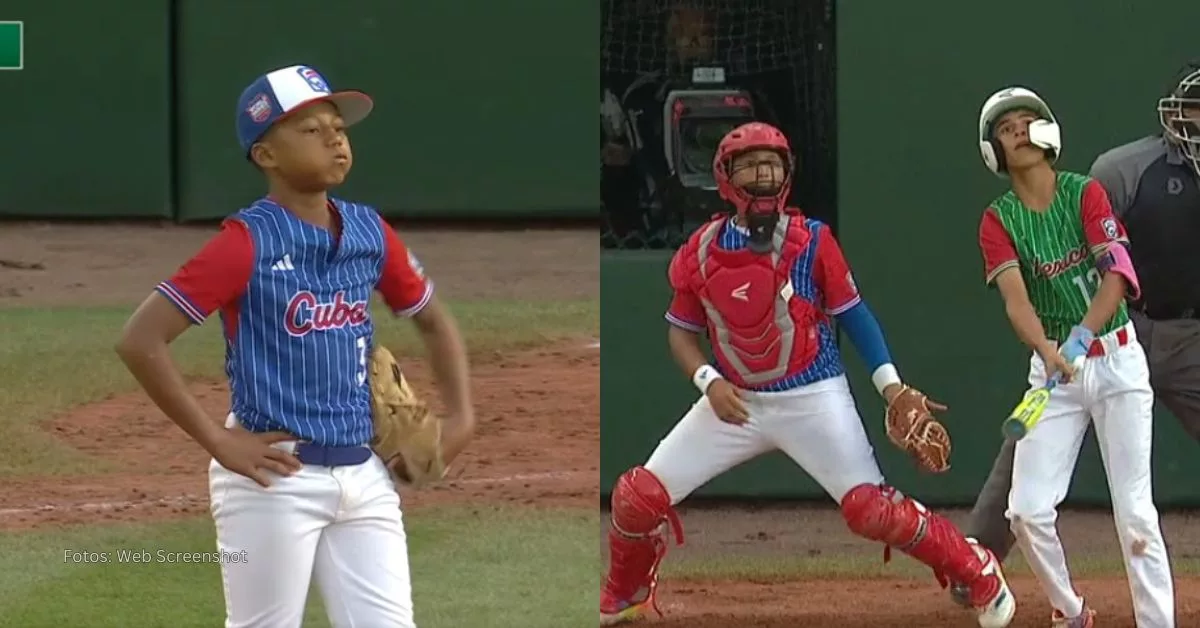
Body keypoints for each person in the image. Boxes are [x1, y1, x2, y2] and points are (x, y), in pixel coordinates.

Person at [598, 122, 1016, 627]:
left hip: (813, 395)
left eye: (771, 164)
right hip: (734, 403)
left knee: (871, 510)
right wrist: (708, 381)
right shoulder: (702, 251)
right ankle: (628, 593)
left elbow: (855, 315)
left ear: (787, 175)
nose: (762, 175)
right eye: (750, 165)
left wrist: (892, 388)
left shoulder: (811, 241)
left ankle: (977, 566)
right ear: (726, 177)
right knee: (637, 497)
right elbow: (681, 333)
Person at [114, 64, 475, 628]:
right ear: (266, 156)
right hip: (274, 480)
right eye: (310, 129)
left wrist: (463, 417)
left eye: (339, 126)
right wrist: (219, 441)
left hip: (365, 475)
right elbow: (140, 340)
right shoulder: (244, 243)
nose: (335, 137)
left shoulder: (368, 231)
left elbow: (432, 319)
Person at [951, 62, 1200, 618]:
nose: (1016, 131)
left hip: (1124, 352)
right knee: (1026, 508)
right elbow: (1018, 299)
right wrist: (1047, 351)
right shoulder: (1008, 215)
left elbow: (1116, 271)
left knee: (1135, 514)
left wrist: (1085, 334)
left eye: (1025, 122)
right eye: (1005, 127)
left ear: (1045, 132)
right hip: (1065, 365)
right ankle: (1058, 604)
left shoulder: (1083, 192)